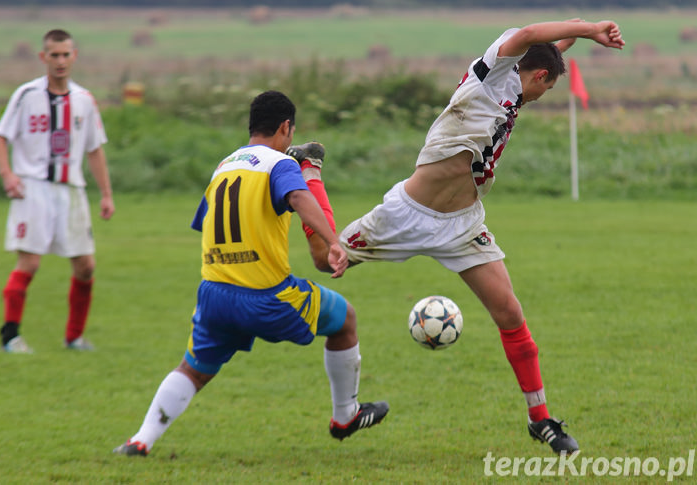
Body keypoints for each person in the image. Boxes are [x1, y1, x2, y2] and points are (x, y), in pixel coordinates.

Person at [299, 20, 625, 454]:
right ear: (539, 76)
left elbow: (545, 50)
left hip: (463, 225)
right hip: (406, 216)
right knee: (326, 259)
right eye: (546, 86)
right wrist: (588, 28)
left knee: (510, 312)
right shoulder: (491, 75)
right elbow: (529, 37)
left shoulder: (520, 84)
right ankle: (309, 171)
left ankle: (540, 419)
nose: (541, 94)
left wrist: (573, 43)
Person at [113, 90, 388, 457]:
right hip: (267, 297)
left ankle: (140, 440)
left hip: (214, 294)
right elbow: (298, 197)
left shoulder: (223, 166)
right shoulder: (280, 164)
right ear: (286, 128)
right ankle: (345, 417)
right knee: (345, 320)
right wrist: (331, 240)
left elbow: (205, 221)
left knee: (194, 369)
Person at [0, 29, 114, 354]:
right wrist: (8, 175)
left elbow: (94, 150)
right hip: (33, 189)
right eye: (54, 55)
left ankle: (74, 337)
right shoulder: (26, 95)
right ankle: (10, 336)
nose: (60, 61)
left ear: (74, 56)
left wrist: (106, 194)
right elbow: (0, 136)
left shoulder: (85, 100)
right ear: (43, 57)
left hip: (71, 191)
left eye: (65, 54)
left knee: (86, 266)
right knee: (29, 263)